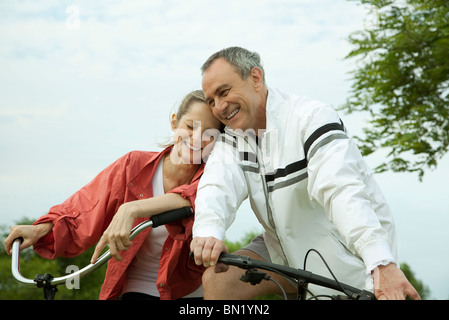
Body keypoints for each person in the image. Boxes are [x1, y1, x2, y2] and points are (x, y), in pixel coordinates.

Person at [190, 46, 421, 300]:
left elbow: (341, 190)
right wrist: (208, 232)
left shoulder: (311, 117)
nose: (220, 107)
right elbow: (216, 186)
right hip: (282, 252)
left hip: (346, 260)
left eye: (224, 92)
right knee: (219, 280)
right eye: (211, 101)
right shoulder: (232, 138)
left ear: (255, 78)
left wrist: (381, 261)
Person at [4, 90, 224, 300]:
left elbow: (191, 197)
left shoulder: (213, 176)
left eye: (209, 134)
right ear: (174, 122)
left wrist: (131, 208)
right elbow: (86, 207)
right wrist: (41, 229)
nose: (197, 139)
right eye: (190, 127)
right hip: (137, 287)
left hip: (189, 289)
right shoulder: (133, 165)